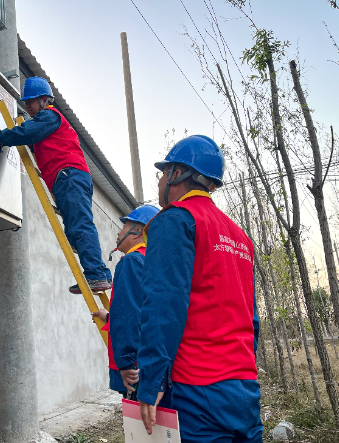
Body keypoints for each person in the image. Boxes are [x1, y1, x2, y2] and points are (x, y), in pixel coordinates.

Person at [136, 135, 262, 443]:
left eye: (163, 173)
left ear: (177, 174)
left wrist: (151, 382)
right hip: (245, 389)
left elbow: (162, 305)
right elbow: (252, 318)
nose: (160, 181)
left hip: (196, 392)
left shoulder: (176, 220)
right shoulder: (240, 237)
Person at [0, 77, 112, 293]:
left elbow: (25, 133)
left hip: (69, 176)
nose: (27, 107)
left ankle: (97, 275)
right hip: (66, 178)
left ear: (44, 100)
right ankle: (99, 274)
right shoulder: (46, 122)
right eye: (25, 103)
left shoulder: (50, 116)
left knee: (80, 225)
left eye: (31, 102)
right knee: (74, 229)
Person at [91, 205, 160, 399]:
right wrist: (111, 317)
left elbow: (130, 315)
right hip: (154, 360)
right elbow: (147, 311)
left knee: (139, 424)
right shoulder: (157, 262)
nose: (119, 232)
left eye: (124, 226)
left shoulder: (132, 261)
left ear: (138, 231)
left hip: (136, 367)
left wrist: (127, 364)